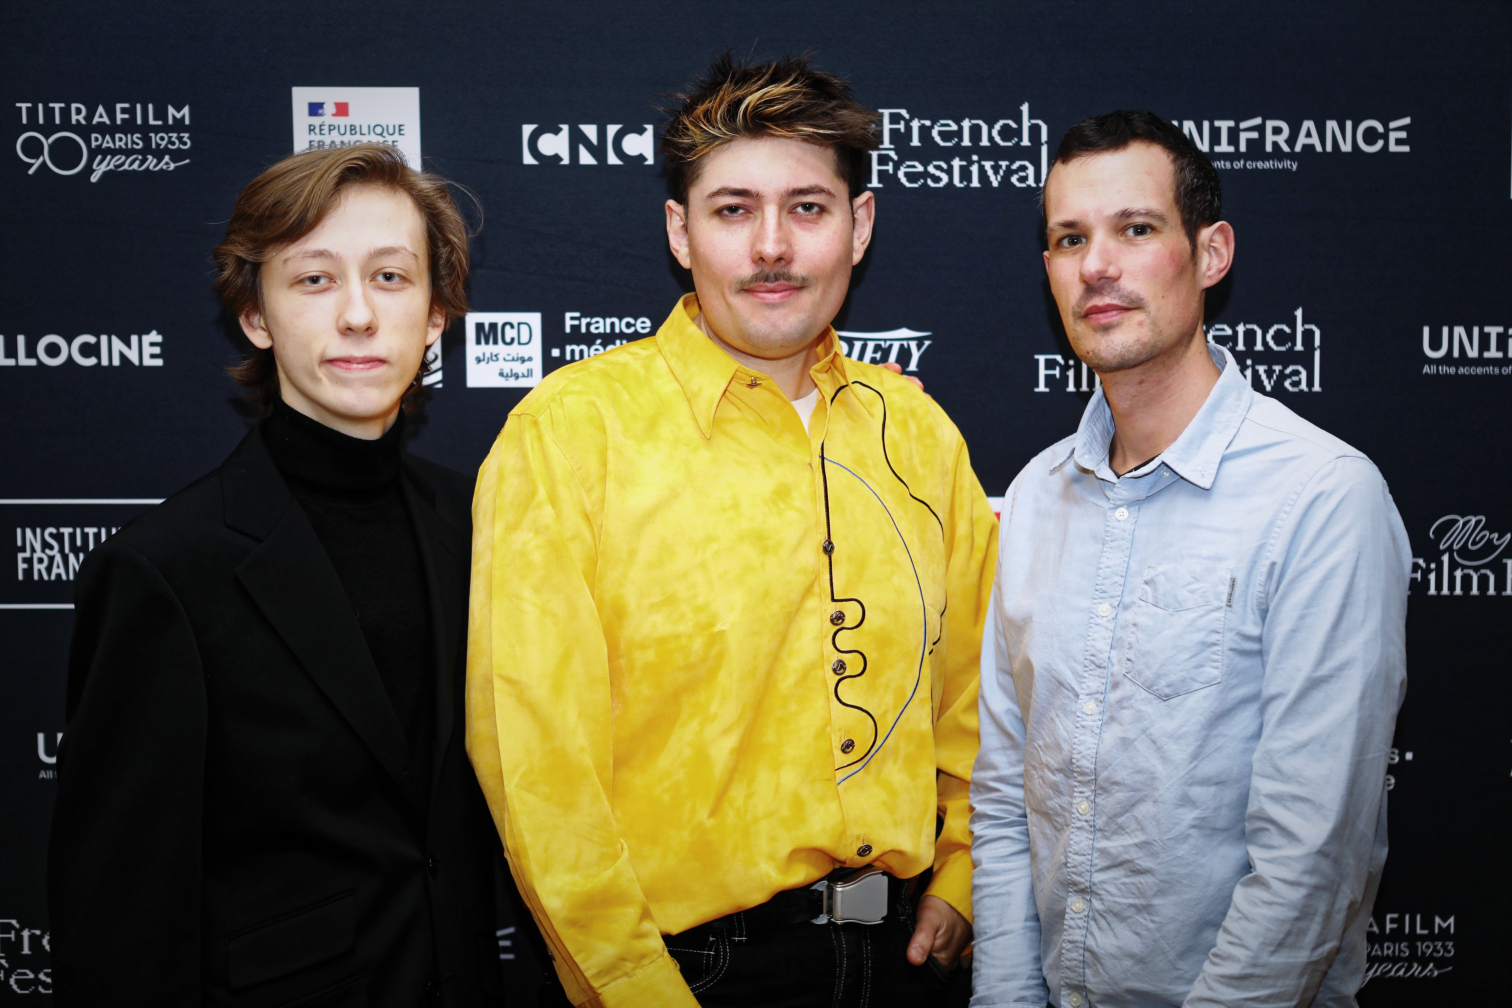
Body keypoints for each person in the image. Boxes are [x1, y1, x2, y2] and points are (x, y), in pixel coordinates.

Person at [467, 55, 998, 1008]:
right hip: (689, 972)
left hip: (910, 965)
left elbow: (978, 692)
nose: (771, 247)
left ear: (859, 226)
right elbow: (538, 760)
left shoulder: (917, 432)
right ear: (681, 232)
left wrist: (961, 875)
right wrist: (632, 987)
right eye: (732, 210)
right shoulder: (571, 434)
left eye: (806, 208)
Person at [49, 143, 522, 1007]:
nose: (356, 315)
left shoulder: (485, 523)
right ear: (256, 315)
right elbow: (118, 923)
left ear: (437, 314)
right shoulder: (167, 568)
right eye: (313, 280)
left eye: (390, 277)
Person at [969, 110, 1410, 1008]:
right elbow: (1006, 796)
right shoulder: (1036, 496)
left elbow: (1311, 855)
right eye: (1069, 238)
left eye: (1136, 230)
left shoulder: (1322, 497)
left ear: (1210, 255)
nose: (1098, 265)